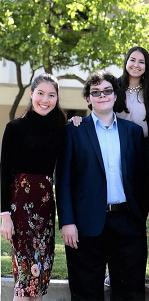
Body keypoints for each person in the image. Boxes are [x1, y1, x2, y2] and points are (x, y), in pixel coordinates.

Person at [55, 70, 147, 300]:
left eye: (107, 90)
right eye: (95, 92)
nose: (102, 95)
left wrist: (139, 215)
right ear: (88, 98)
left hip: (127, 223)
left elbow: (142, 178)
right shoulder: (73, 131)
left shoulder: (133, 133)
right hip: (85, 225)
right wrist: (67, 222)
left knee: (129, 292)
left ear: (115, 95)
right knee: (86, 292)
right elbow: (63, 180)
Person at [1, 73, 66, 300]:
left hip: (45, 211)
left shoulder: (60, 129)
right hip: (20, 212)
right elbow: (3, 174)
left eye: (51, 95)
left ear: (57, 98)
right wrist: (5, 215)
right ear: (31, 94)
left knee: (37, 283)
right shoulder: (14, 128)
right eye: (40, 93)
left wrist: (77, 122)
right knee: (24, 282)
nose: (45, 100)